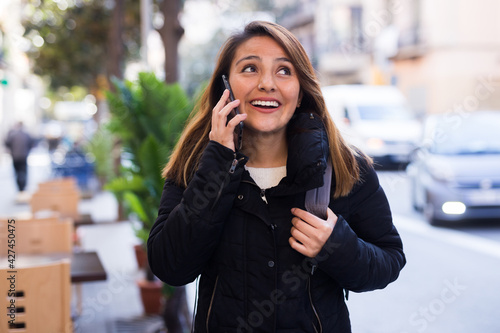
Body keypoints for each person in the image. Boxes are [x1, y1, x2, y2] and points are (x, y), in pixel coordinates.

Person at [148, 21, 406, 332]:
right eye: (250, 69)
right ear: (225, 86)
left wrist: (336, 245)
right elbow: (170, 267)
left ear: (300, 92)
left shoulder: (345, 167)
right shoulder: (195, 165)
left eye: (284, 71)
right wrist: (218, 163)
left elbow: (389, 261)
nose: (267, 83)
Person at [5, 121, 35, 193]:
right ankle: (23, 188)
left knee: (17, 172)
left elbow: (7, 143)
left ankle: (20, 188)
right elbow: (32, 143)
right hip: (24, 156)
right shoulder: (26, 134)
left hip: (15, 157)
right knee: (23, 172)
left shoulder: (12, 134)